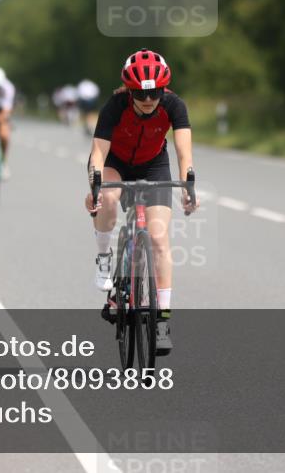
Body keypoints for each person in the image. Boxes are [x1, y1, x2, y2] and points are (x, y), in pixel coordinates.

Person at [84, 49, 198, 355]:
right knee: (108, 196)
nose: (148, 100)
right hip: (116, 163)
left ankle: (161, 318)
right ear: (129, 90)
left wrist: (188, 185)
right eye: (140, 93)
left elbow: (184, 152)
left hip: (153, 165)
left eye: (155, 93)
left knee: (159, 238)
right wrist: (94, 184)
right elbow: (98, 153)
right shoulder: (115, 106)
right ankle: (105, 257)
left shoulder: (174, 105)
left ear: (164, 89)